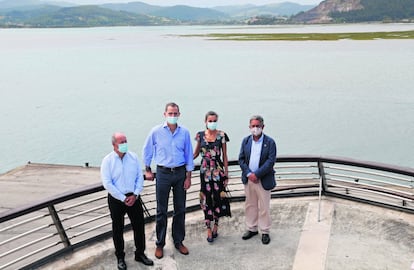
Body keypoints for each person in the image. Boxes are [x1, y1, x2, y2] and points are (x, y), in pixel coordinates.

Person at [142, 102, 194, 259]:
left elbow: (189, 154)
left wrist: (188, 177)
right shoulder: (156, 131)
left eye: (175, 113)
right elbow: (147, 150)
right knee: (161, 211)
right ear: (164, 114)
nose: (172, 116)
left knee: (180, 209)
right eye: (170, 113)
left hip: (180, 173)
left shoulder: (184, 132)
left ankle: (178, 241)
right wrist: (148, 168)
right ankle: (160, 243)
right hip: (163, 173)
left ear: (179, 114)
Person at [100, 132, 154, 270]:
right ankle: (120, 257)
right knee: (117, 229)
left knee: (139, 227)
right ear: (114, 145)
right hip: (117, 199)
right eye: (121, 142)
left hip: (134, 197)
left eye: (125, 141)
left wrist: (135, 195)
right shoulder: (107, 161)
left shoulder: (133, 157)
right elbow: (107, 183)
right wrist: (123, 198)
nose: (124, 144)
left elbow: (139, 178)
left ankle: (140, 254)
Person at [238, 115, 277, 245]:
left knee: (264, 206)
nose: (255, 128)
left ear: (263, 127)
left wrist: (257, 174)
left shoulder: (270, 142)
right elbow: (241, 159)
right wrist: (249, 173)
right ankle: (252, 228)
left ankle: (265, 231)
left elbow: (270, 161)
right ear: (249, 127)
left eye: (257, 126)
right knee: (250, 205)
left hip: (263, 179)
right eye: (253, 126)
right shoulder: (246, 141)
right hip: (249, 179)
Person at [193, 111, 230, 243]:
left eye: (214, 120)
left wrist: (226, 172)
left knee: (218, 198)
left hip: (218, 171)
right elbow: (196, 153)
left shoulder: (222, 135)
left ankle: (216, 226)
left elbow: (225, 155)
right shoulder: (200, 136)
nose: (212, 123)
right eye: (210, 120)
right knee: (206, 198)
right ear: (205, 121)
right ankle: (208, 227)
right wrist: (184, 162)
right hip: (205, 172)